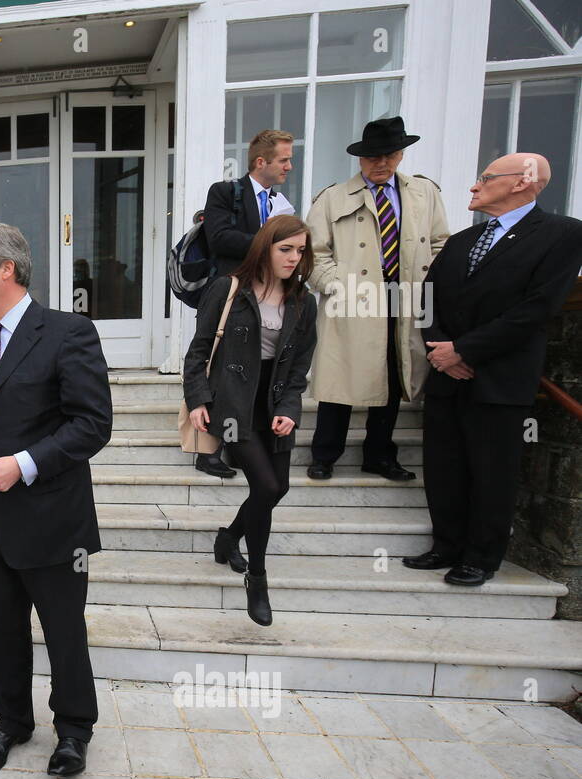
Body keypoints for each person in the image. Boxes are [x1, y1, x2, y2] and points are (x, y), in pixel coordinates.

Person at [0, 222, 112, 777]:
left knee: (65, 633)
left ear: (7, 269)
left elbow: (93, 425)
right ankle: (11, 722)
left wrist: (22, 466)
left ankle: (73, 731)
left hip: (53, 522)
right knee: (1, 632)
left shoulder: (69, 332)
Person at [405, 152, 582, 587]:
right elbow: (428, 300)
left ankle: (480, 557)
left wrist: (465, 351)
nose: (474, 186)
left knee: (492, 470)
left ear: (522, 181)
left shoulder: (562, 234)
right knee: (444, 467)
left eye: (485, 177)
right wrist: (439, 350)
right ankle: (446, 545)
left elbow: (537, 309)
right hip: (447, 377)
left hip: (500, 378)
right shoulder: (464, 240)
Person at [182, 215, 318, 626]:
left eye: (300, 250)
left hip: (273, 404)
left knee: (279, 488)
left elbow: (299, 367)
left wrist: (290, 410)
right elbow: (198, 350)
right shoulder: (228, 289)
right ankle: (257, 580)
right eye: (285, 249)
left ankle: (228, 536)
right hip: (232, 404)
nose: (294, 258)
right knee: (266, 484)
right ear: (265, 248)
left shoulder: (302, 300)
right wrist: (199, 400)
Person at [305, 116, 450, 482]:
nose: (381, 163)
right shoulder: (332, 197)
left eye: (389, 154)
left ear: (401, 154)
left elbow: (440, 243)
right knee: (339, 378)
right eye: (372, 157)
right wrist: (339, 284)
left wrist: (427, 279)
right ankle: (325, 454)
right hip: (351, 299)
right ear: (360, 159)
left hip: (406, 297)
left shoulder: (425, 193)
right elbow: (313, 254)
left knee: (393, 376)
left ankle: (380, 455)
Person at [196, 129, 297, 479]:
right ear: (261, 161)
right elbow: (219, 238)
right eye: (283, 159)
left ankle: (238, 442)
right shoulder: (225, 192)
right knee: (220, 367)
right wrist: (269, 242)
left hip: (265, 296)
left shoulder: (280, 202)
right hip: (229, 294)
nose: (289, 165)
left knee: (248, 370)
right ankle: (208, 450)